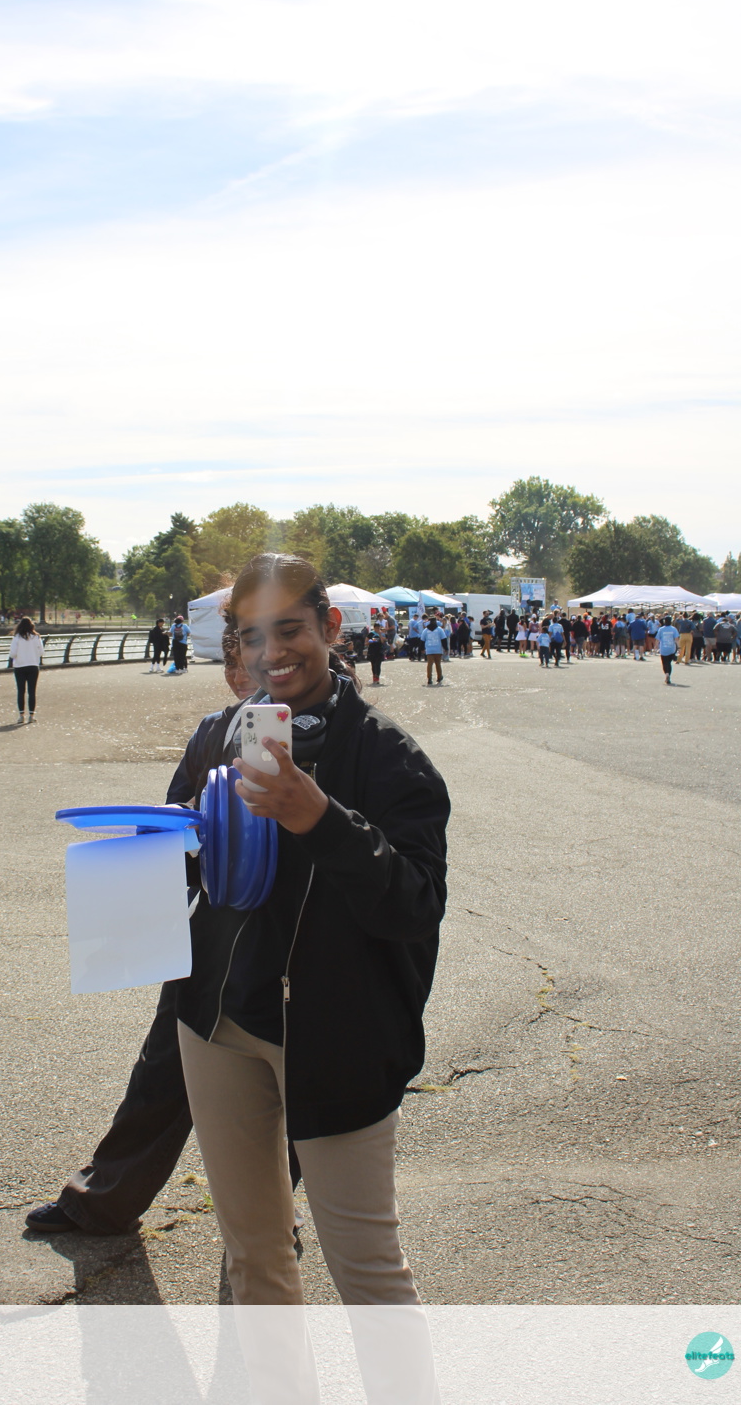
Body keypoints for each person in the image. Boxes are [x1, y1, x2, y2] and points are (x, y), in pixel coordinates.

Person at [175, 553, 449, 1310]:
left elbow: (415, 906)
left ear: (329, 627)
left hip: (337, 1039)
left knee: (368, 1270)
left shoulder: (389, 756)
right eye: (252, 636)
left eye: (290, 629)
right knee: (253, 1256)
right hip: (217, 1024)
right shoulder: (218, 735)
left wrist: (320, 818)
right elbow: (187, 865)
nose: (273, 652)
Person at [25, 638, 360, 1239]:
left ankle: (270, 1220)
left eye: (250, 660)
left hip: (297, 949)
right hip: (211, 944)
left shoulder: (348, 734)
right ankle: (103, 1200)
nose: (240, 674)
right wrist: (164, 854)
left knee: (290, 1090)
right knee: (162, 1070)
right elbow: (174, 825)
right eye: (232, 661)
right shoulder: (214, 731)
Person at [8, 616, 43, 724]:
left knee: (21, 691)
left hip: (20, 666)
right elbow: (41, 652)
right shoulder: (36, 637)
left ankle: (21, 715)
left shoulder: (17, 638)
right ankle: (31, 716)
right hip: (33, 665)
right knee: (32, 692)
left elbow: (12, 653)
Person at [422, 616, 446, 685]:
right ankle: (439, 677)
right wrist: (446, 648)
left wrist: (422, 649)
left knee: (430, 664)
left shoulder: (426, 630)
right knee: (438, 664)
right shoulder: (439, 629)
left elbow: (422, 640)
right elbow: (443, 639)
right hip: (438, 649)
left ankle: (429, 678)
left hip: (429, 649)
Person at [656, 615, 680, 685]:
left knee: (664, 662)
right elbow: (676, 639)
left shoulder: (661, 629)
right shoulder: (674, 629)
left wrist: (655, 647)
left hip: (663, 649)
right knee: (669, 663)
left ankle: (666, 674)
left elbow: (657, 639)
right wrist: (679, 647)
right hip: (671, 648)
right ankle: (669, 674)